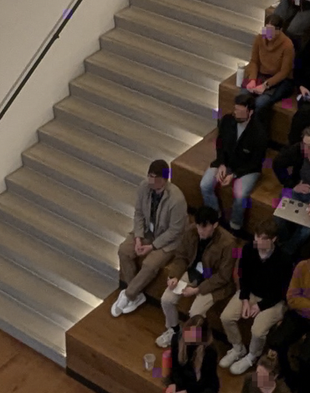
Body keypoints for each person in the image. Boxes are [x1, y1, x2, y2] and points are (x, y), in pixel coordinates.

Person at [110, 159, 188, 316]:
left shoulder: (177, 200)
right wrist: (138, 237)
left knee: (150, 264)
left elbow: (175, 230)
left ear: (165, 179)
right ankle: (136, 295)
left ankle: (128, 295)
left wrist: (153, 246)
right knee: (124, 251)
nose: (151, 181)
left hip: (168, 240)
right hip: (147, 231)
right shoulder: (143, 188)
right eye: (150, 176)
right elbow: (138, 213)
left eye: (155, 177)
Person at [219, 219, 294, 375]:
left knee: (258, 331)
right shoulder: (249, 249)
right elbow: (243, 276)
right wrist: (245, 300)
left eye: (263, 239)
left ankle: (252, 356)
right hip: (251, 293)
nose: (258, 242)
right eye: (256, 237)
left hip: (273, 301)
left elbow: (281, 291)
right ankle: (238, 348)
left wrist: (260, 306)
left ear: (273, 239)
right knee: (226, 317)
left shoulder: (284, 260)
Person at [157, 205, 237, 347]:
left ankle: (191, 343)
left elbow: (223, 276)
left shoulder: (228, 243)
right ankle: (174, 330)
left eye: (205, 227)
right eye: (199, 226)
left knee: (195, 312)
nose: (200, 231)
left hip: (215, 283)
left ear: (215, 225)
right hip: (195, 272)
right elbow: (181, 256)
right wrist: (174, 275)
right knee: (167, 299)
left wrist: (197, 290)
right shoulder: (191, 231)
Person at [201, 92, 270, 231]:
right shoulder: (227, 120)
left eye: (240, 111)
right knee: (205, 185)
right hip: (226, 163)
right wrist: (221, 163)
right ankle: (216, 217)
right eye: (235, 109)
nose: (235, 113)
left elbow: (255, 163)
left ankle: (235, 225)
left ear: (250, 112)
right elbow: (220, 144)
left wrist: (234, 175)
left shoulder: (260, 133)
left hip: (247, 169)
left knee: (240, 195)